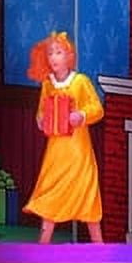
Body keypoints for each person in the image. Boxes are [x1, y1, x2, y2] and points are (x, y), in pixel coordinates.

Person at [23, 31, 104, 243]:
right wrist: (41, 119)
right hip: (57, 151)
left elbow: (97, 109)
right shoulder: (47, 84)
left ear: (69, 56)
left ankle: (99, 246)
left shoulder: (81, 82)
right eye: (50, 53)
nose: (54, 57)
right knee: (52, 190)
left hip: (78, 150)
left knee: (85, 190)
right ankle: (43, 244)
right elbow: (41, 110)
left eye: (58, 52)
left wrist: (82, 115)